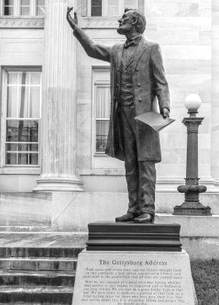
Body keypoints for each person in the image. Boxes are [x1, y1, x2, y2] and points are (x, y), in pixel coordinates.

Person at [67, 7, 170, 223]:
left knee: (146, 162)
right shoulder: (116, 51)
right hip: (122, 114)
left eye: (123, 19)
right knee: (131, 163)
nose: (119, 20)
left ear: (135, 23)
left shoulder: (151, 48)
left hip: (145, 117)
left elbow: (161, 81)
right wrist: (76, 28)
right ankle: (133, 208)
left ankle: (147, 210)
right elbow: (93, 49)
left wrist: (165, 106)